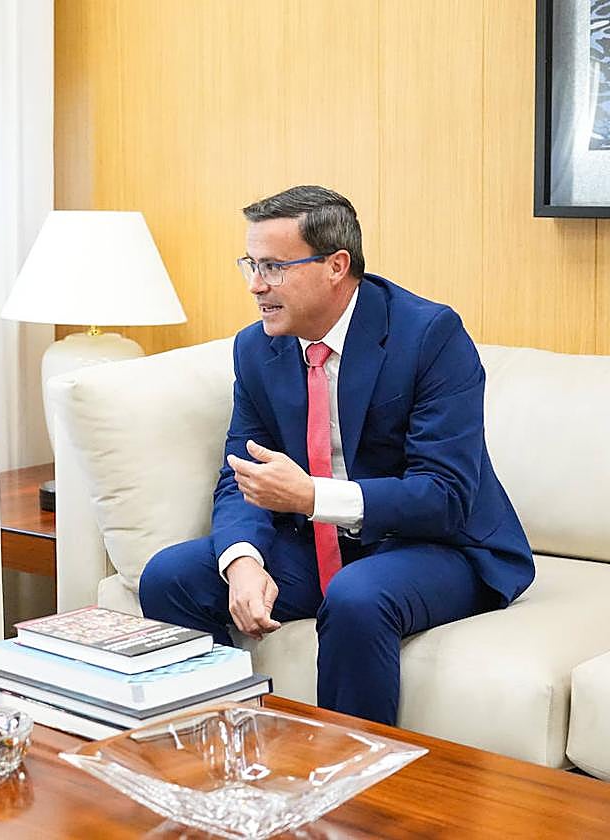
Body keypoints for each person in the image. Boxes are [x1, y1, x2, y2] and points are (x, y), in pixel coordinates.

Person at [138, 185, 533, 725]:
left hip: (438, 545)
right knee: (171, 575)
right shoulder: (257, 347)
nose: (255, 285)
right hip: (317, 543)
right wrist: (244, 561)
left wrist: (311, 496)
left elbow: (444, 496)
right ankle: (234, 748)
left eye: (274, 267)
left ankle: (351, 775)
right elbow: (241, 475)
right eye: (251, 265)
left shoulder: (429, 335)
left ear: (335, 266)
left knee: (356, 596)